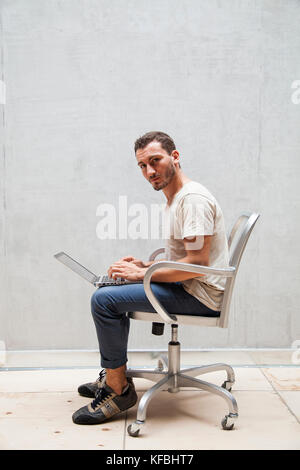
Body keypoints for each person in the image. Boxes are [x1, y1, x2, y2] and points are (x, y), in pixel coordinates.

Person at [72, 131, 229, 425]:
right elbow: (186, 257)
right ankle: (114, 376)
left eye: (155, 161)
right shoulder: (175, 199)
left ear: (175, 157)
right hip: (188, 286)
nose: (150, 172)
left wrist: (143, 274)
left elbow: (196, 265)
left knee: (103, 301)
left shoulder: (191, 200)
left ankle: (117, 389)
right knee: (112, 290)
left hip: (199, 296)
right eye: (143, 166)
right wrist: (146, 265)